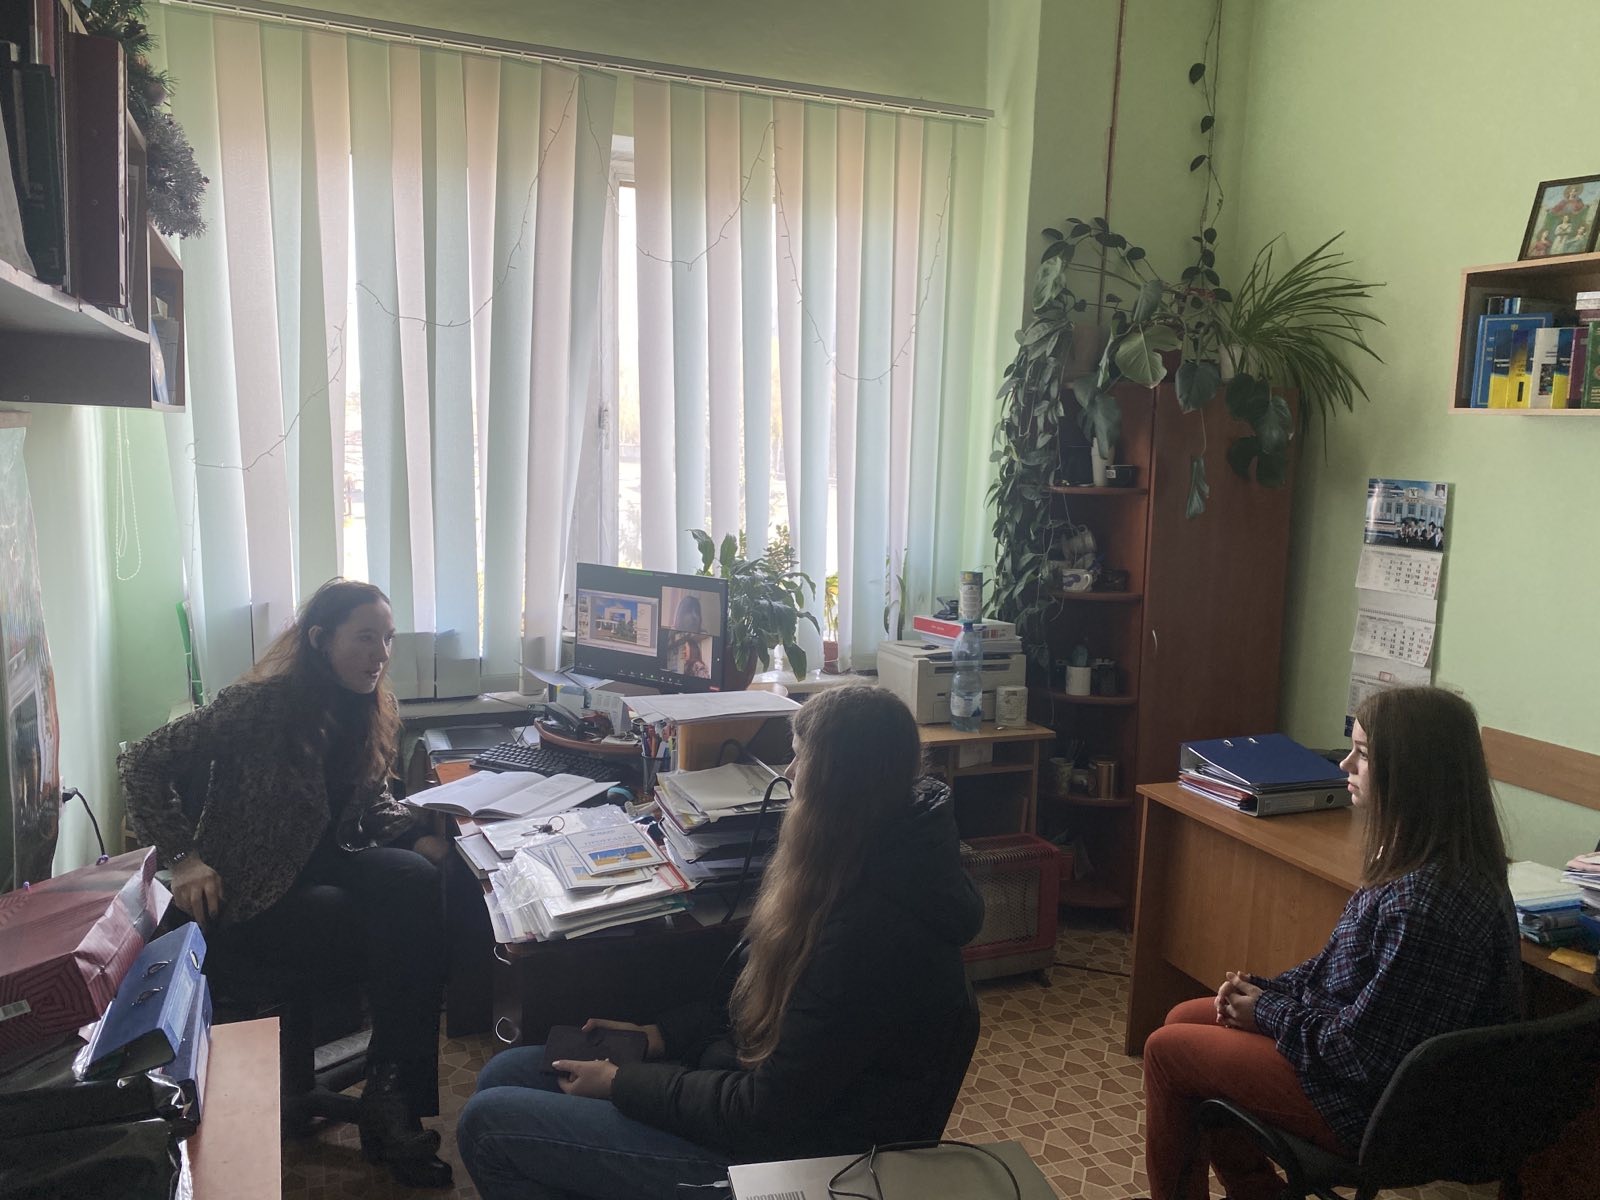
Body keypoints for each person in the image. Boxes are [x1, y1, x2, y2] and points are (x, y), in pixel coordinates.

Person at [457, 684, 985, 1200]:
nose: (789, 775)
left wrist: (621, 1082)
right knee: (506, 1072)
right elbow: (755, 1016)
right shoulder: (864, 864)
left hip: (788, 1159)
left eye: (800, 759)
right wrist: (659, 1036)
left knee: (488, 1125)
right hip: (751, 1100)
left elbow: (760, 1112)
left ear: (835, 784)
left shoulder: (871, 935)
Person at [120, 578, 452, 1189]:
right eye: (365, 638)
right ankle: (390, 1105)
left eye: (388, 639)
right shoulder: (260, 706)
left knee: (417, 878)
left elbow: (366, 809)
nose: (380, 654)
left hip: (324, 865)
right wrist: (185, 858)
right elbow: (139, 761)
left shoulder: (365, 706)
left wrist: (426, 825)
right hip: (251, 892)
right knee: (394, 934)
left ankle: (391, 1094)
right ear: (321, 640)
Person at [1140, 686, 1521, 1200]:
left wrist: (1267, 1011)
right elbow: (1335, 970)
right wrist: (1264, 990)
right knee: (1185, 1018)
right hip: (1356, 1066)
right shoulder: (1423, 862)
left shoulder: (1424, 904)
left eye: (1362, 754)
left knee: (1169, 1052)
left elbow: (1360, 1055)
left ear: (1410, 773)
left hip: (1371, 1108)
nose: (1345, 764)